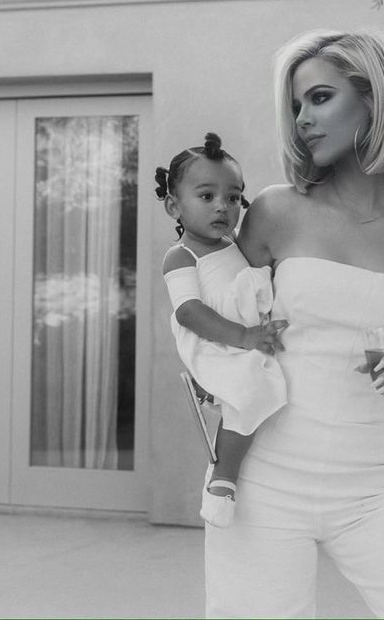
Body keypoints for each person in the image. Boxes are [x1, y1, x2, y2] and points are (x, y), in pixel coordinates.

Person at [194, 29, 384, 617]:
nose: (301, 119)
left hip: (383, 484)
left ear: (374, 99)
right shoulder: (274, 211)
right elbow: (220, 316)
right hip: (261, 482)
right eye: (296, 105)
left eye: (319, 99)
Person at [155, 132, 288, 527]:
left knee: (260, 386)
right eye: (207, 196)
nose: (223, 207)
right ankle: (223, 477)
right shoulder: (181, 255)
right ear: (174, 206)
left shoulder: (233, 242)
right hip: (212, 339)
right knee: (248, 394)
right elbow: (189, 312)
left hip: (240, 336)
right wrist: (245, 337)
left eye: (233, 197)